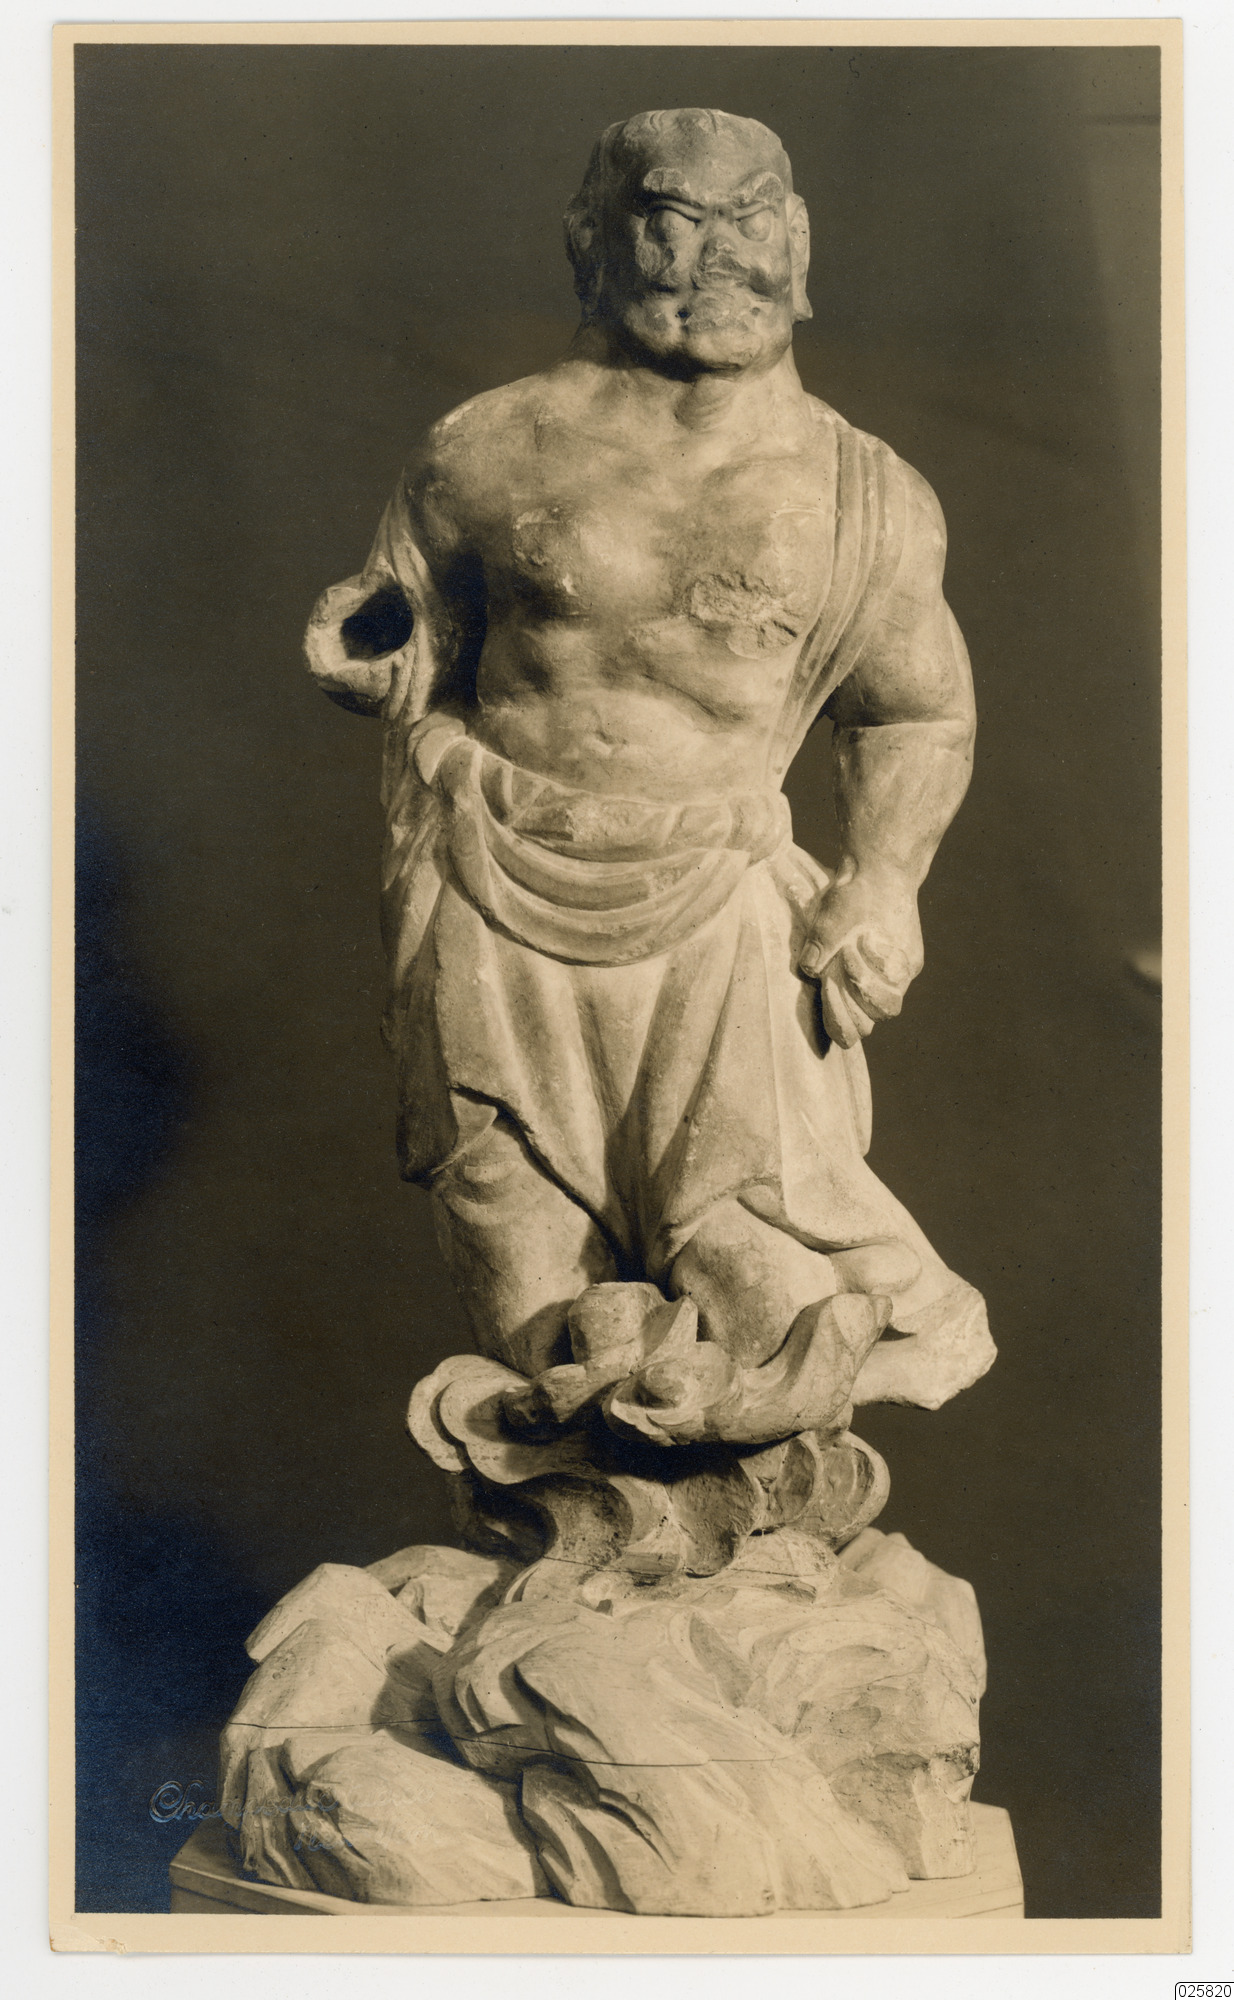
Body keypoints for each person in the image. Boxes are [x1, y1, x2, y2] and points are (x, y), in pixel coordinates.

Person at [304, 107, 993, 1413]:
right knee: (521, 1268)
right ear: (593, 241)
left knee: (758, 1272)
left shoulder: (861, 496)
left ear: (795, 241)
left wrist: (883, 878)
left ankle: (764, 1444)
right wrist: (367, 650)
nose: (713, 256)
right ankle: (583, 1494)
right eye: (671, 221)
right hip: (488, 875)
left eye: (747, 222)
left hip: (717, 914)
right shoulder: (483, 448)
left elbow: (916, 712)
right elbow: (416, 638)